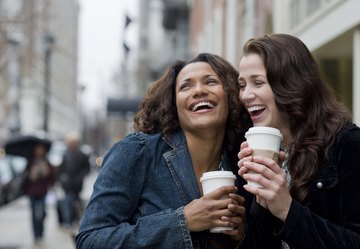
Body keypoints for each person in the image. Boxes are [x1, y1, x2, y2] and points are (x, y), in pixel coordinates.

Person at [76, 53, 252, 249]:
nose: (199, 90)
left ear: (230, 95)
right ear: (173, 103)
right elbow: (90, 240)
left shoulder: (243, 164)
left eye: (210, 82)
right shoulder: (138, 151)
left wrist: (241, 235)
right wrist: (182, 222)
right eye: (186, 86)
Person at [237, 33, 360, 248]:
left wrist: (286, 210)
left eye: (257, 82)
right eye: (242, 85)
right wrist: (260, 202)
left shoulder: (346, 142)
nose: (245, 95)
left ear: (290, 83)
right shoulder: (265, 149)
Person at [23, 143, 55, 244]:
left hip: (42, 191)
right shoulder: (30, 162)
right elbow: (25, 175)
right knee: (34, 214)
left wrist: (47, 174)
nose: (39, 152)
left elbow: (52, 177)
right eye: (38, 149)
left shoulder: (46, 162)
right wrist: (32, 174)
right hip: (32, 191)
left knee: (41, 213)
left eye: (41, 150)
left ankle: (41, 232)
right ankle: (36, 235)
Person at [58, 133, 90, 228]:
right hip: (67, 185)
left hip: (77, 185)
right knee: (67, 202)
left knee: (77, 203)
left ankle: (78, 220)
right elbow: (61, 169)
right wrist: (62, 179)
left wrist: (80, 177)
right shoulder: (65, 155)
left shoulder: (82, 155)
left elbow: (86, 169)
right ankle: (68, 222)